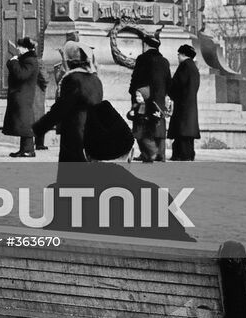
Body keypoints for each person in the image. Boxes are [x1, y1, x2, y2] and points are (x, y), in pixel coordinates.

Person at [48, 100, 194, 243]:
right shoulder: (153, 197)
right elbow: (185, 248)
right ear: (131, 155)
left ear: (87, 155)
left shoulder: (58, 196)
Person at [33, 41, 103, 162]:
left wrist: (41, 127)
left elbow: (61, 108)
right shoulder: (95, 79)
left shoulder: (72, 79)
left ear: (70, 62)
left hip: (75, 130)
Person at [128, 32, 172, 163]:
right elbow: (169, 82)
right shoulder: (165, 61)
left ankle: (148, 153)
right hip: (159, 99)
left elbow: (136, 79)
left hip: (144, 99)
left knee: (142, 126)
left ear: (145, 45)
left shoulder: (142, 59)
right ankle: (161, 154)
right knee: (159, 124)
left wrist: (133, 93)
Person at [2, 37, 40, 158]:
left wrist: (13, 62)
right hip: (21, 94)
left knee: (25, 122)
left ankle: (28, 150)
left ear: (25, 48)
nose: (18, 48)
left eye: (20, 46)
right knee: (23, 122)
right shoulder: (28, 59)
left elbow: (21, 75)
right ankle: (25, 149)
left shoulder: (29, 60)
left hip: (23, 94)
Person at [168, 44, 200, 161]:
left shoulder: (184, 66)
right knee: (187, 131)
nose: (177, 56)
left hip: (182, 103)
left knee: (181, 130)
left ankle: (181, 154)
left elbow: (177, 84)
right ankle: (188, 154)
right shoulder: (193, 67)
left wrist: (169, 91)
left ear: (183, 54)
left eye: (179, 53)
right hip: (190, 102)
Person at [34, 56, 49, 150]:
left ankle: (29, 143)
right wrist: (44, 85)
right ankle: (39, 143)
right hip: (37, 90)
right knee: (39, 117)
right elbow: (45, 78)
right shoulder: (39, 62)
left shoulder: (21, 60)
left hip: (29, 92)